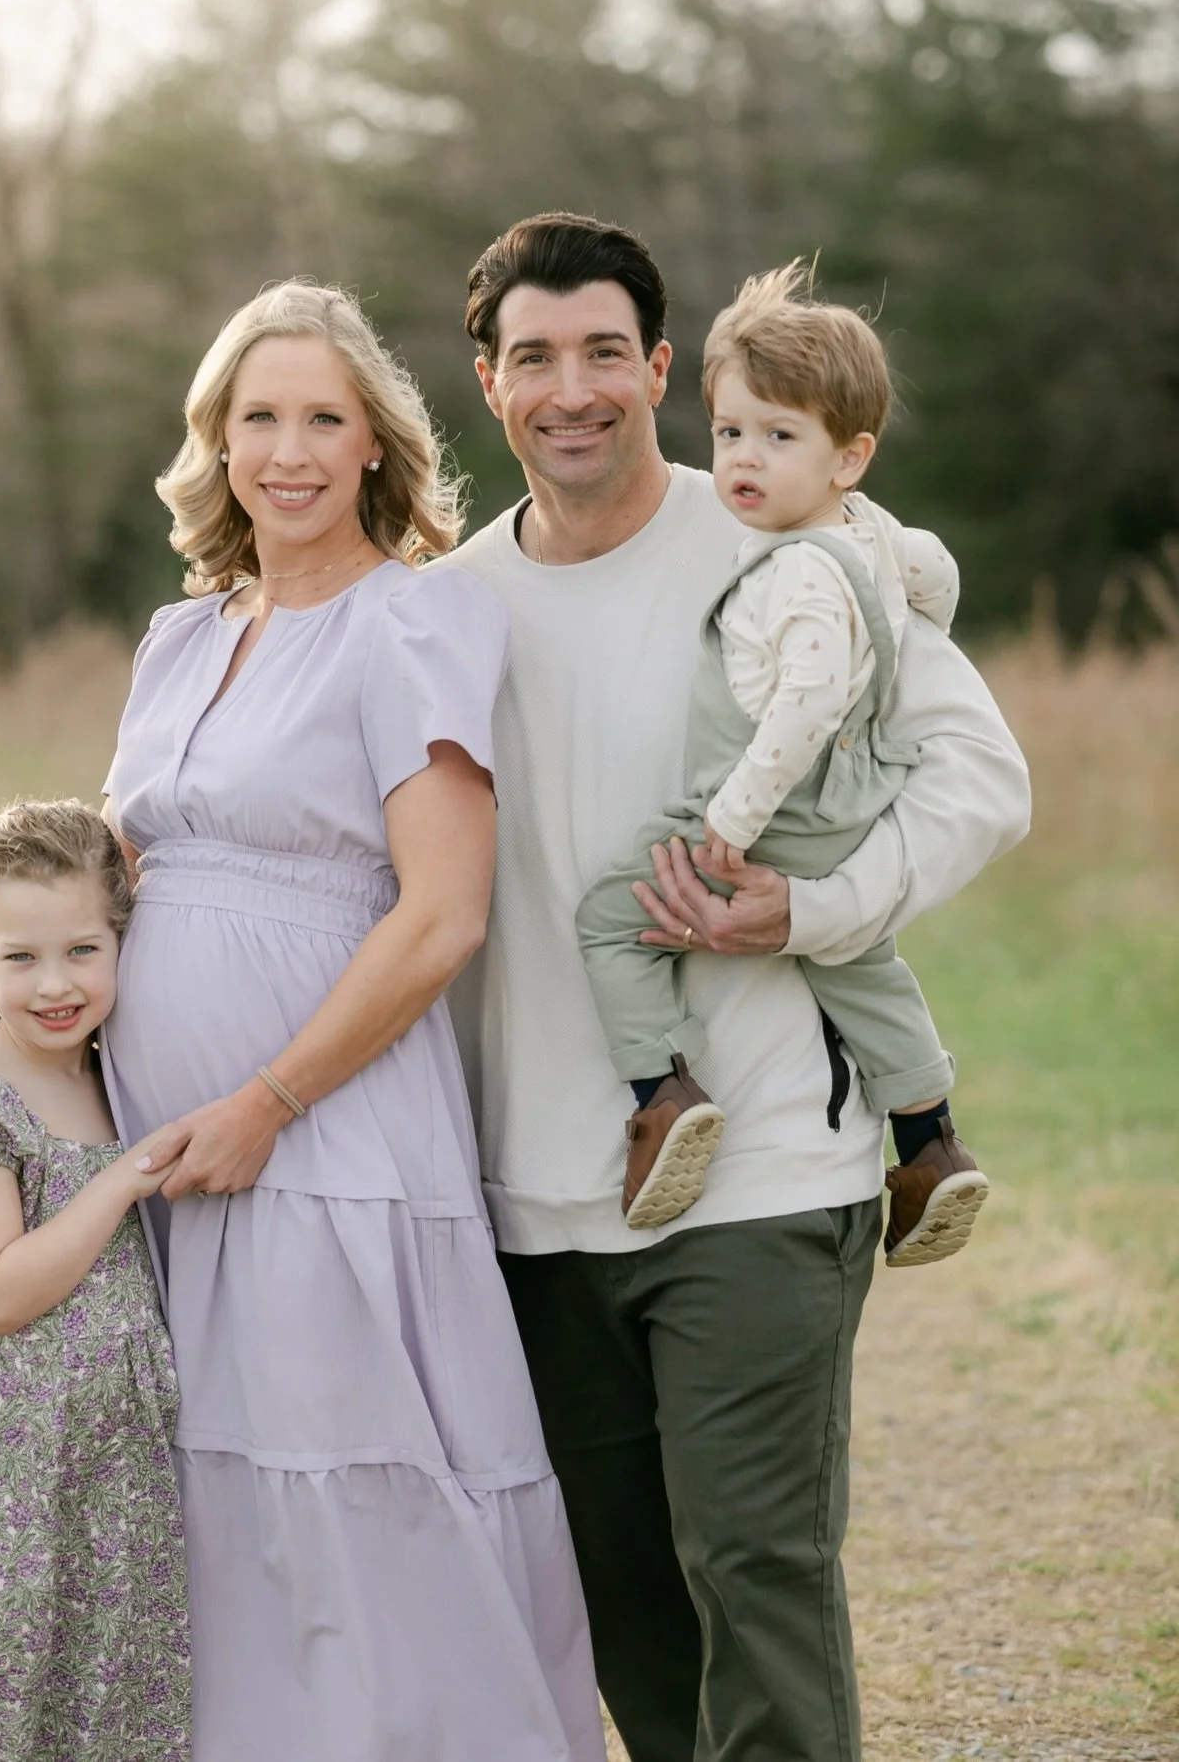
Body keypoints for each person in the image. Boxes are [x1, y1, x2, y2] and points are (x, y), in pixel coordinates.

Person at [446, 214, 1030, 1762]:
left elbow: (981, 777)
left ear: (657, 368)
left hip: (764, 1171)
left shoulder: (793, 540)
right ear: (489, 382)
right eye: (532, 358)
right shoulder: (443, 605)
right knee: (628, 1608)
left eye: (603, 352)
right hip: (535, 1196)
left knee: (755, 1574)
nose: (571, 389)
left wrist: (812, 908)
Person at [101, 281, 601, 1760]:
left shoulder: (414, 619)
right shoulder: (178, 637)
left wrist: (268, 1100)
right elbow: (98, 893)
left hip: (327, 1141)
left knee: (351, 1497)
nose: (290, 451)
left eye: (324, 418)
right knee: (227, 1516)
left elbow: (441, 915)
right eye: (259, 417)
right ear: (219, 439)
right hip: (167, 1156)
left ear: (376, 440)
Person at [575, 259, 989, 1263]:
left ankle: (663, 1094)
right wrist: (915, 614)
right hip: (850, 807)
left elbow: (802, 706)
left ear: (849, 456)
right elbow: (938, 572)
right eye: (729, 434)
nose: (743, 460)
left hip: (773, 809)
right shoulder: (871, 535)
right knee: (858, 960)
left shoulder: (791, 570)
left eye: (779, 437)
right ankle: (928, 1138)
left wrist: (732, 819)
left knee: (612, 920)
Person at [0, 798, 190, 1762]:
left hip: (113, 1447)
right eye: (21, 956)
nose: (55, 983)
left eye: (82, 951)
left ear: (122, 944)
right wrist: (123, 1180)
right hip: (10, 1457)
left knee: (117, 1702)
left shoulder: (108, 1067)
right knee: (9, 1711)